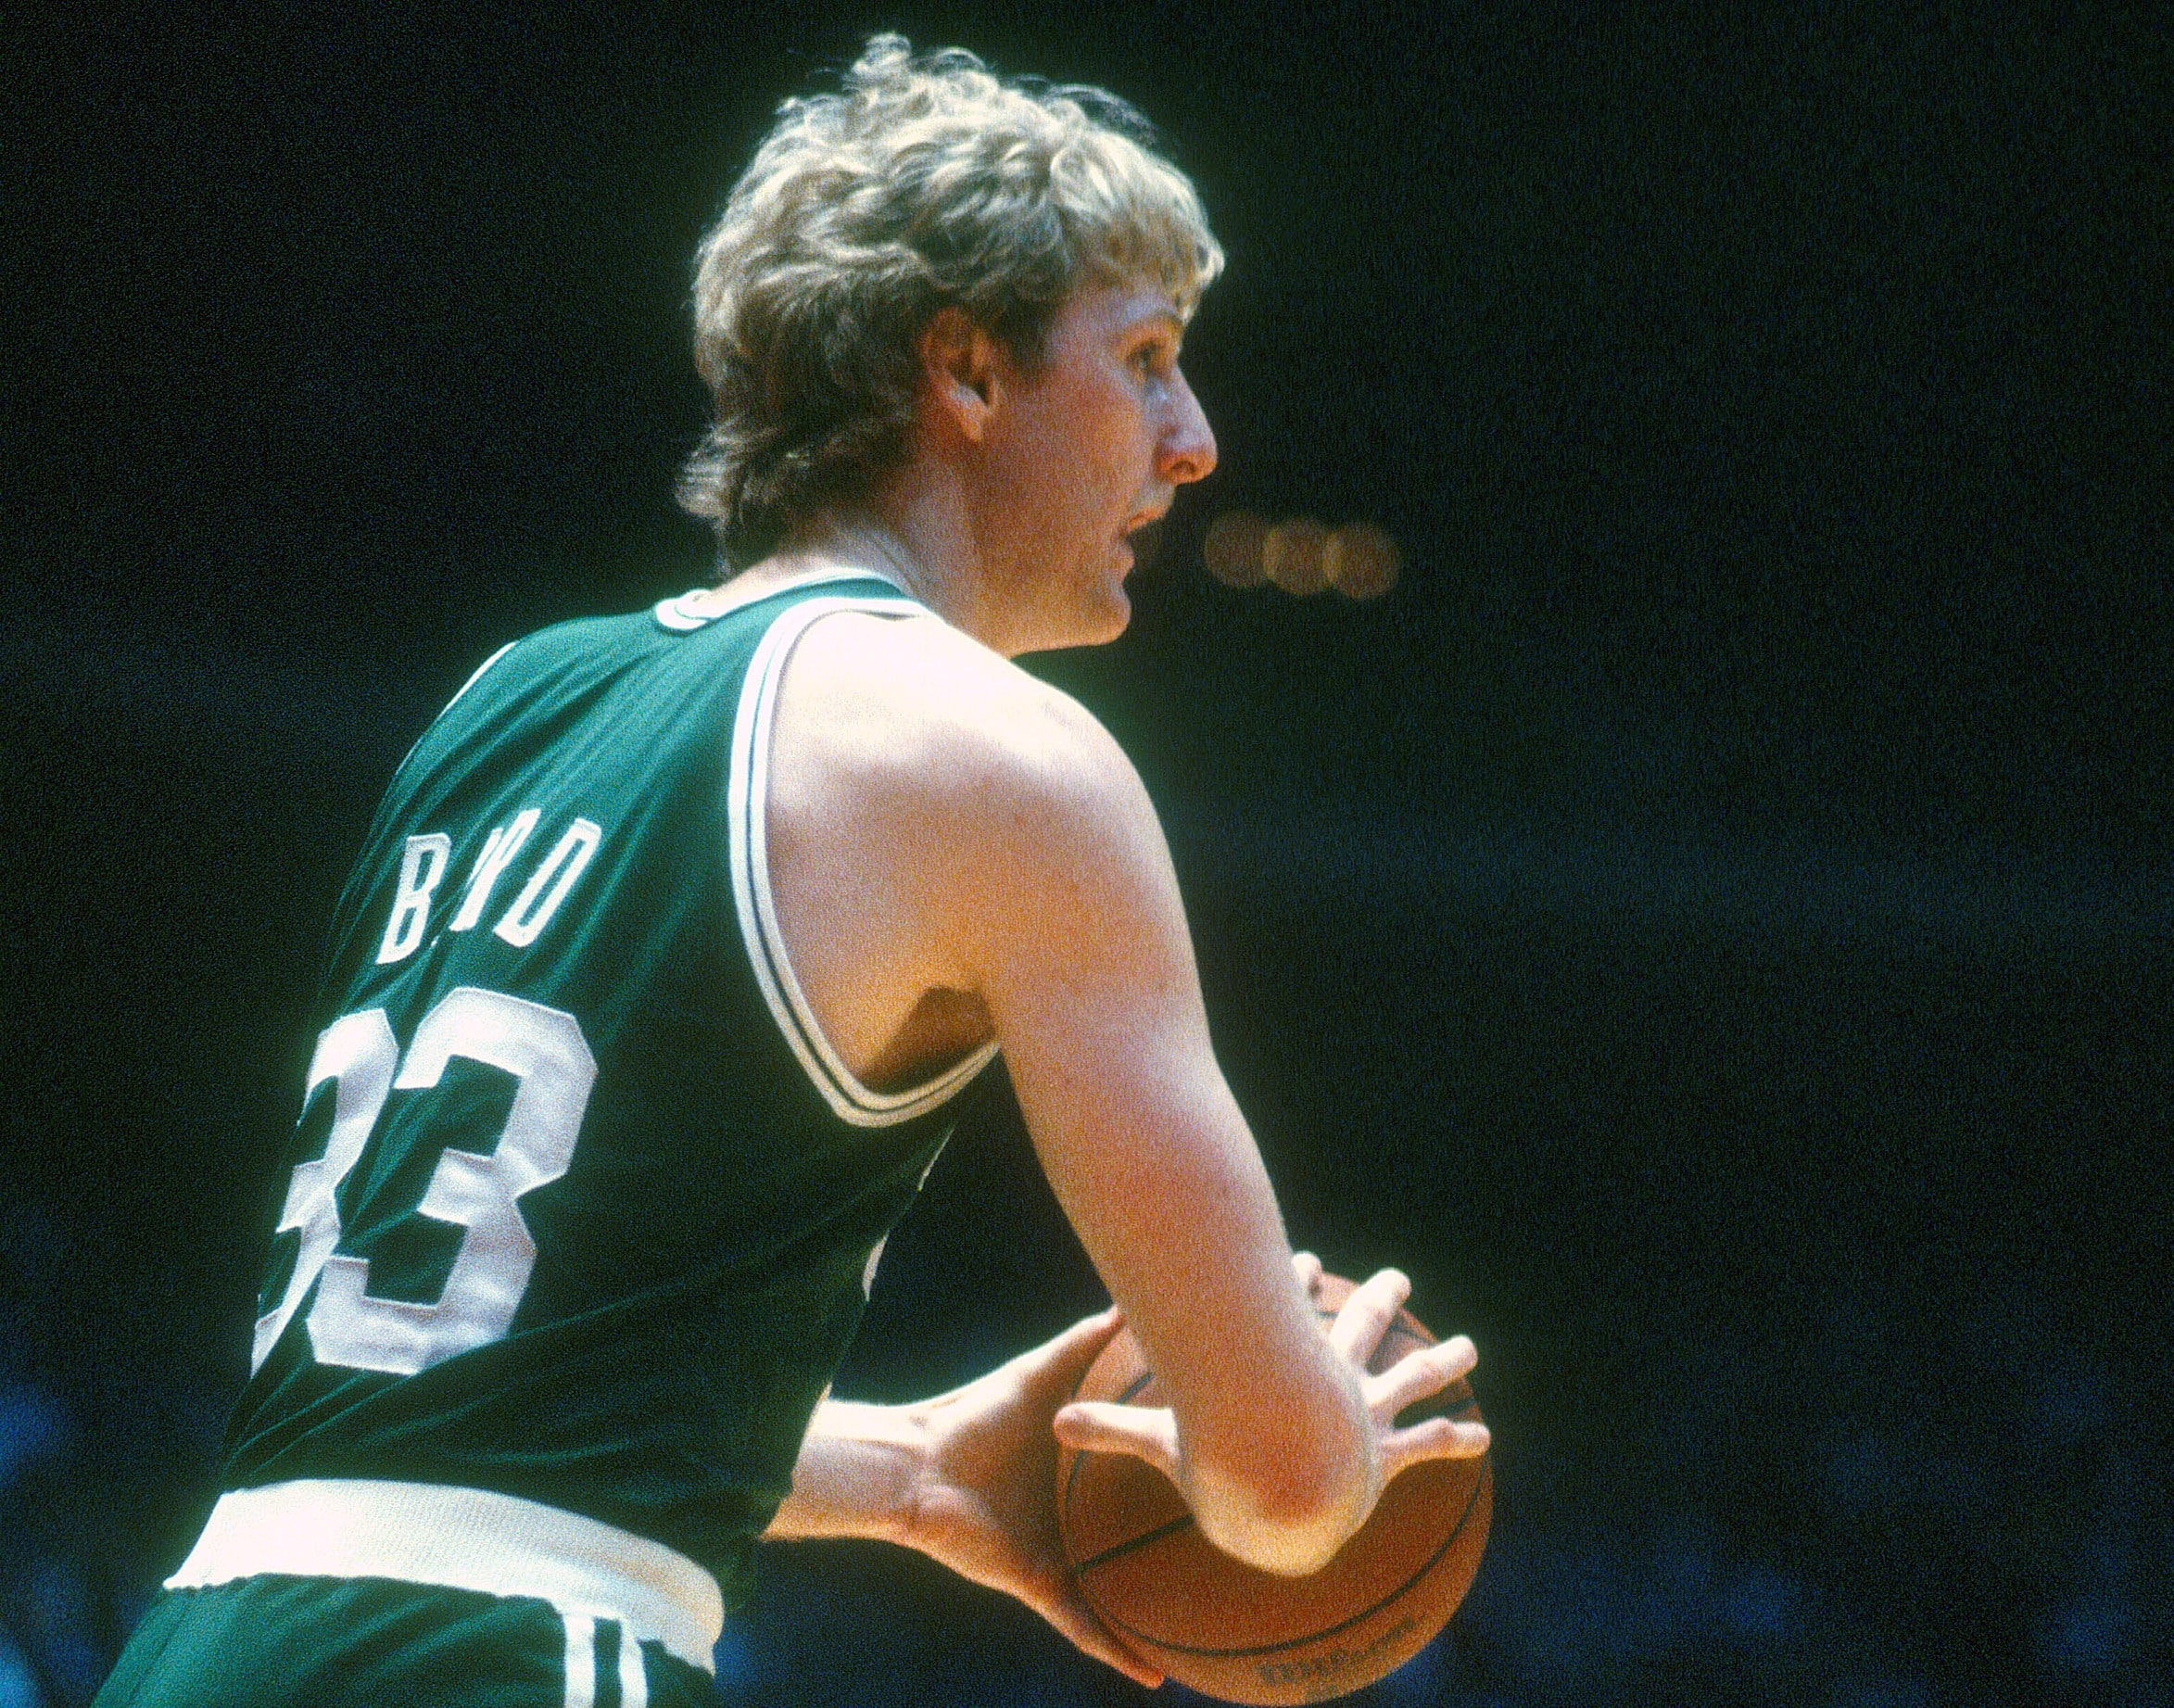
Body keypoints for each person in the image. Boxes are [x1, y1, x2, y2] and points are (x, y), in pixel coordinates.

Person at [95, 35, 1489, 1708]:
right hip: (520, 1656)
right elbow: (1273, 1492)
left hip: (211, 1630)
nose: (1191, 441)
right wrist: (1336, 1439)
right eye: (1144, 358)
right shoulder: (997, 752)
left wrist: (909, 1472)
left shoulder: (503, 697)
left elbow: (458, 1391)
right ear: (964, 370)